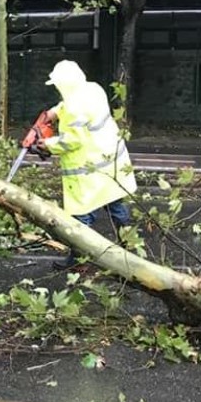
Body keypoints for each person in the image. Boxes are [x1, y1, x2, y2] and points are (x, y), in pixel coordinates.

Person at [37, 60, 137, 269]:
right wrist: (53, 113)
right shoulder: (93, 89)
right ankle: (131, 252)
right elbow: (70, 105)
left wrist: (46, 144)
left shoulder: (73, 108)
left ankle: (78, 263)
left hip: (88, 171)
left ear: (64, 84)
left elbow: (71, 141)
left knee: (80, 220)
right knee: (116, 207)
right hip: (110, 164)